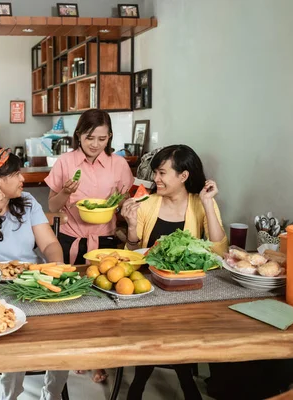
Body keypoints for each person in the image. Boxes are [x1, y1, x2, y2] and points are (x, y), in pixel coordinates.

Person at [0, 147, 67, 400]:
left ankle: (53, 394)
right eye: (16, 174)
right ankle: (11, 396)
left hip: (36, 283)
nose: (22, 179)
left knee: (63, 333)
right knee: (12, 338)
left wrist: (56, 268)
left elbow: (49, 245)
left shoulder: (27, 203)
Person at [120, 144, 228, 400]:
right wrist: (132, 228)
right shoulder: (147, 203)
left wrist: (208, 204)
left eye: (161, 173)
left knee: (175, 326)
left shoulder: (200, 204)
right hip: (149, 286)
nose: (155, 179)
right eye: (156, 172)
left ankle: (140, 383)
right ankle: (183, 382)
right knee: (158, 325)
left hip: (189, 289)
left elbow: (220, 251)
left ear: (183, 176)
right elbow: (133, 258)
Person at [44, 109, 133, 384]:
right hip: (72, 239)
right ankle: (76, 353)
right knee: (72, 299)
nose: (96, 144)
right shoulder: (66, 162)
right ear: (79, 135)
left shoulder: (119, 165)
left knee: (103, 300)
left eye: (103, 138)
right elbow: (52, 206)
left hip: (105, 242)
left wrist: (123, 211)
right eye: (90, 137)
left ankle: (98, 359)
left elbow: (124, 202)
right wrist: (66, 193)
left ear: (109, 138)